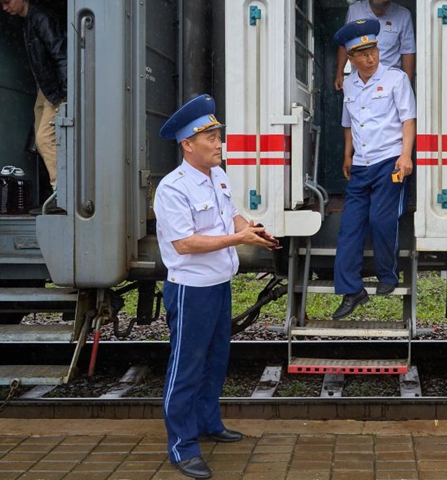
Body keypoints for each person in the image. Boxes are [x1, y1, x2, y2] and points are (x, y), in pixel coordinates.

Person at [154, 94, 279, 479]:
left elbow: (230, 214)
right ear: (187, 144)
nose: (219, 143)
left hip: (218, 284)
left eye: (218, 135)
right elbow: (185, 243)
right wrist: (237, 240)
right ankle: (182, 446)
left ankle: (208, 423)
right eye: (210, 137)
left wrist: (248, 227)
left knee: (215, 361)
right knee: (186, 367)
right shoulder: (172, 188)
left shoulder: (218, 175)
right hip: (191, 289)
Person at [331, 19, 417, 320]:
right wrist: (347, 155)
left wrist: (406, 157)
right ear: (351, 58)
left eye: (374, 51)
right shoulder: (351, 83)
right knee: (349, 229)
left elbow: (408, 120)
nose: (371, 58)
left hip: (389, 162)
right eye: (363, 54)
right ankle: (351, 291)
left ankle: (387, 275)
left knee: (381, 220)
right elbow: (348, 123)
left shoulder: (395, 79)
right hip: (361, 165)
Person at [0, 0, 67, 214]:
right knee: (41, 140)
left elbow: (61, 54)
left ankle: (63, 194)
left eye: (7, 1)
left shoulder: (41, 18)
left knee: (45, 138)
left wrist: (66, 92)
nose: (4, 8)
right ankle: (59, 189)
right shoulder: (28, 20)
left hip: (55, 88)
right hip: (45, 88)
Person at [334, 0, 415, 91]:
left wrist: (407, 85)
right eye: (376, 5)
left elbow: (408, 51)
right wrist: (339, 73)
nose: (379, 10)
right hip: (360, 80)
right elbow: (345, 43)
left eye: (383, 5)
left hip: (390, 81)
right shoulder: (355, 10)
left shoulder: (403, 15)